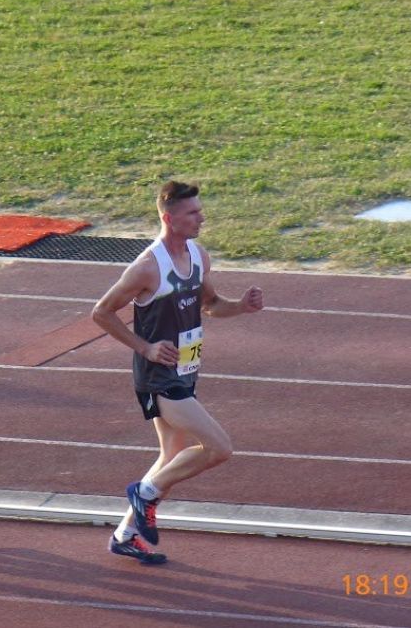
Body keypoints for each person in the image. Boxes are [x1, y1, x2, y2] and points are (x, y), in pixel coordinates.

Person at [92, 180, 263, 564]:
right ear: (170, 219)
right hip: (158, 375)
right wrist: (145, 347)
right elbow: (101, 312)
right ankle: (145, 493)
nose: (201, 218)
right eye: (193, 213)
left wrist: (241, 306)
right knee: (219, 448)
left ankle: (124, 535)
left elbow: (211, 305)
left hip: (186, 368)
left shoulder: (198, 256)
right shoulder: (146, 268)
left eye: (200, 210)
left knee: (171, 456)